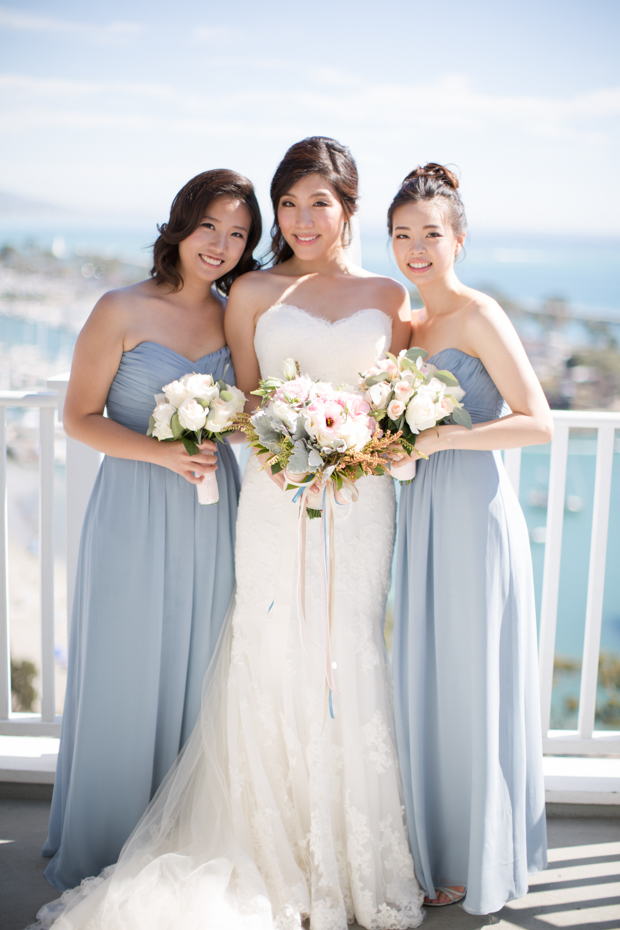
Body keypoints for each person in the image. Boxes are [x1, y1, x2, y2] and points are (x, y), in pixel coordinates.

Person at [34, 138, 424, 930]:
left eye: (317, 202)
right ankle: (242, 836)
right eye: (287, 204)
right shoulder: (245, 296)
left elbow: (390, 396)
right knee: (259, 651)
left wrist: (357, 439)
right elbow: (250, 402)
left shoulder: (388, 297)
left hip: (357, 503)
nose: (300, 219)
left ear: (349, 206)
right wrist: (298, 433)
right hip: (264, 501)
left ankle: (345, 847)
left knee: (349, 652)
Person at [42, 169, 262, 892]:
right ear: (179, 225)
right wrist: (163, 450)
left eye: (237, 235)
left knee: (200, 669)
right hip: (135, 505)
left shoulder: (237, 315)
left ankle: (179, 840)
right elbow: (79, 417)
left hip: (211, 511)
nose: (221, 246)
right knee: (125, 663)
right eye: (211, 228)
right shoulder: (119, 308)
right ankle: (107, 842)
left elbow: (252, 413)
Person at [389, 164, 550, 915]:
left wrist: (449, 438)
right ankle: (439, 843)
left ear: (458, 238)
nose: (416, 248)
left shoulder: (482, 314)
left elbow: (537, 422)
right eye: (402, 235)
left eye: (430, 234)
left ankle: (475, 858)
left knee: (471, 682)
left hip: (471, 514)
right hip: (421, 514)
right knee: (430, 677)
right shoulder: (413, 325)